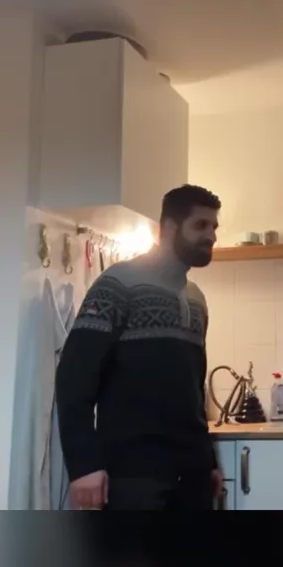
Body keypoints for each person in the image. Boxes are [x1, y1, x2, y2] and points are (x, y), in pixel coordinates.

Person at [56, 184, 223, 510]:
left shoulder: (196, 299)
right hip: (133, 476)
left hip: (193, 474)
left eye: (214, 226)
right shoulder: (118, 284)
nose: (212, 236)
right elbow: (74, 377)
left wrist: (209, 461)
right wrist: (83, 465)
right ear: (170, 228)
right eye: (201, 225)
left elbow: (193, 390)